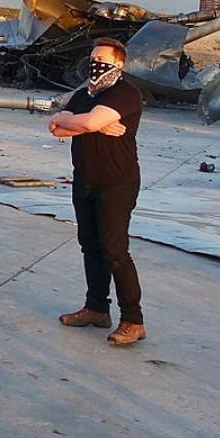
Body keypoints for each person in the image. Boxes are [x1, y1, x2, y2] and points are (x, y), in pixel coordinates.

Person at [47, 37, 147, 346]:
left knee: (115, 250)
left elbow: (86, 122)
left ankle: (133, 320)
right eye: (92, 59)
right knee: (90, 245)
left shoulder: (127, 94)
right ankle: (96, 308)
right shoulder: (86, 94)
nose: (95, 64)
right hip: (85, 179)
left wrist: (85, 123)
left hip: (117, 182)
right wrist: (83, 122)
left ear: (118, 64)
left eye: (101, 59)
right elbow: (56, 127)